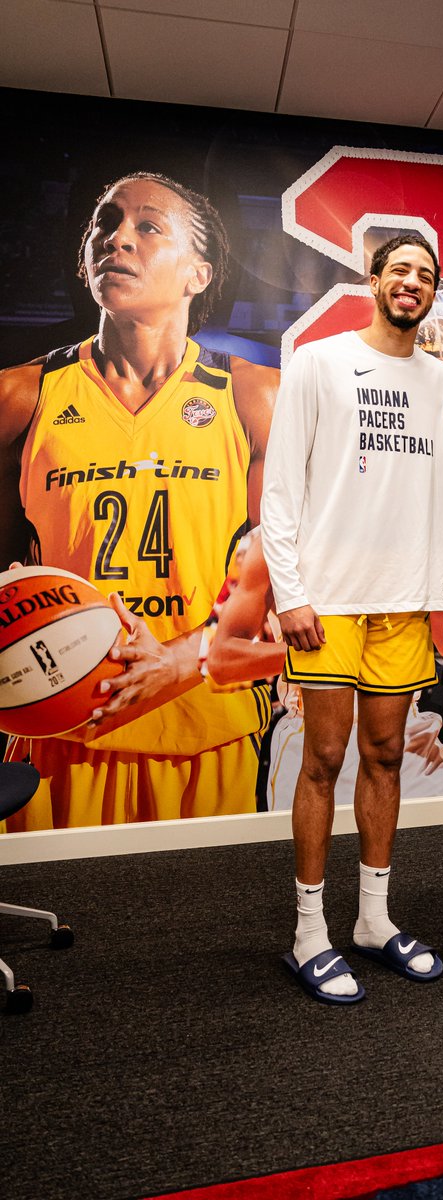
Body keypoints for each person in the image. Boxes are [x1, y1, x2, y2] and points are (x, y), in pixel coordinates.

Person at [0, 172, 277, 830]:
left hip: (204, 728)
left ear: (198, 273)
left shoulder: (253, 396)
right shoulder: (23, 394)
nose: (117, 237)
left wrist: (185, 659)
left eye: (148, 226)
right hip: (58, 725)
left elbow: (305, 585)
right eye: (104, 224)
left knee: (195, 930)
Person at [260, 233, 443, 1005]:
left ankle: (373, 920)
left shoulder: (441, 380)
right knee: (322, 760)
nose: (412, 283)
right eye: (400, 270)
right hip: (328, 601)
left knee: (385, 758)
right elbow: (281, 490)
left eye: (426, 276)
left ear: (433, 295)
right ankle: (311, 932)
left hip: (402, 600)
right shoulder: (319, 361)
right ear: (373, 280)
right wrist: (290, 593)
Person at [204, 528, 443, 805]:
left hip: (407, 733)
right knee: (322, 847)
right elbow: (222, 659)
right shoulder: (279, 535)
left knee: (441, 845)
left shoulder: (410, 522)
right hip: (312, 731)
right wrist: (322, 652)